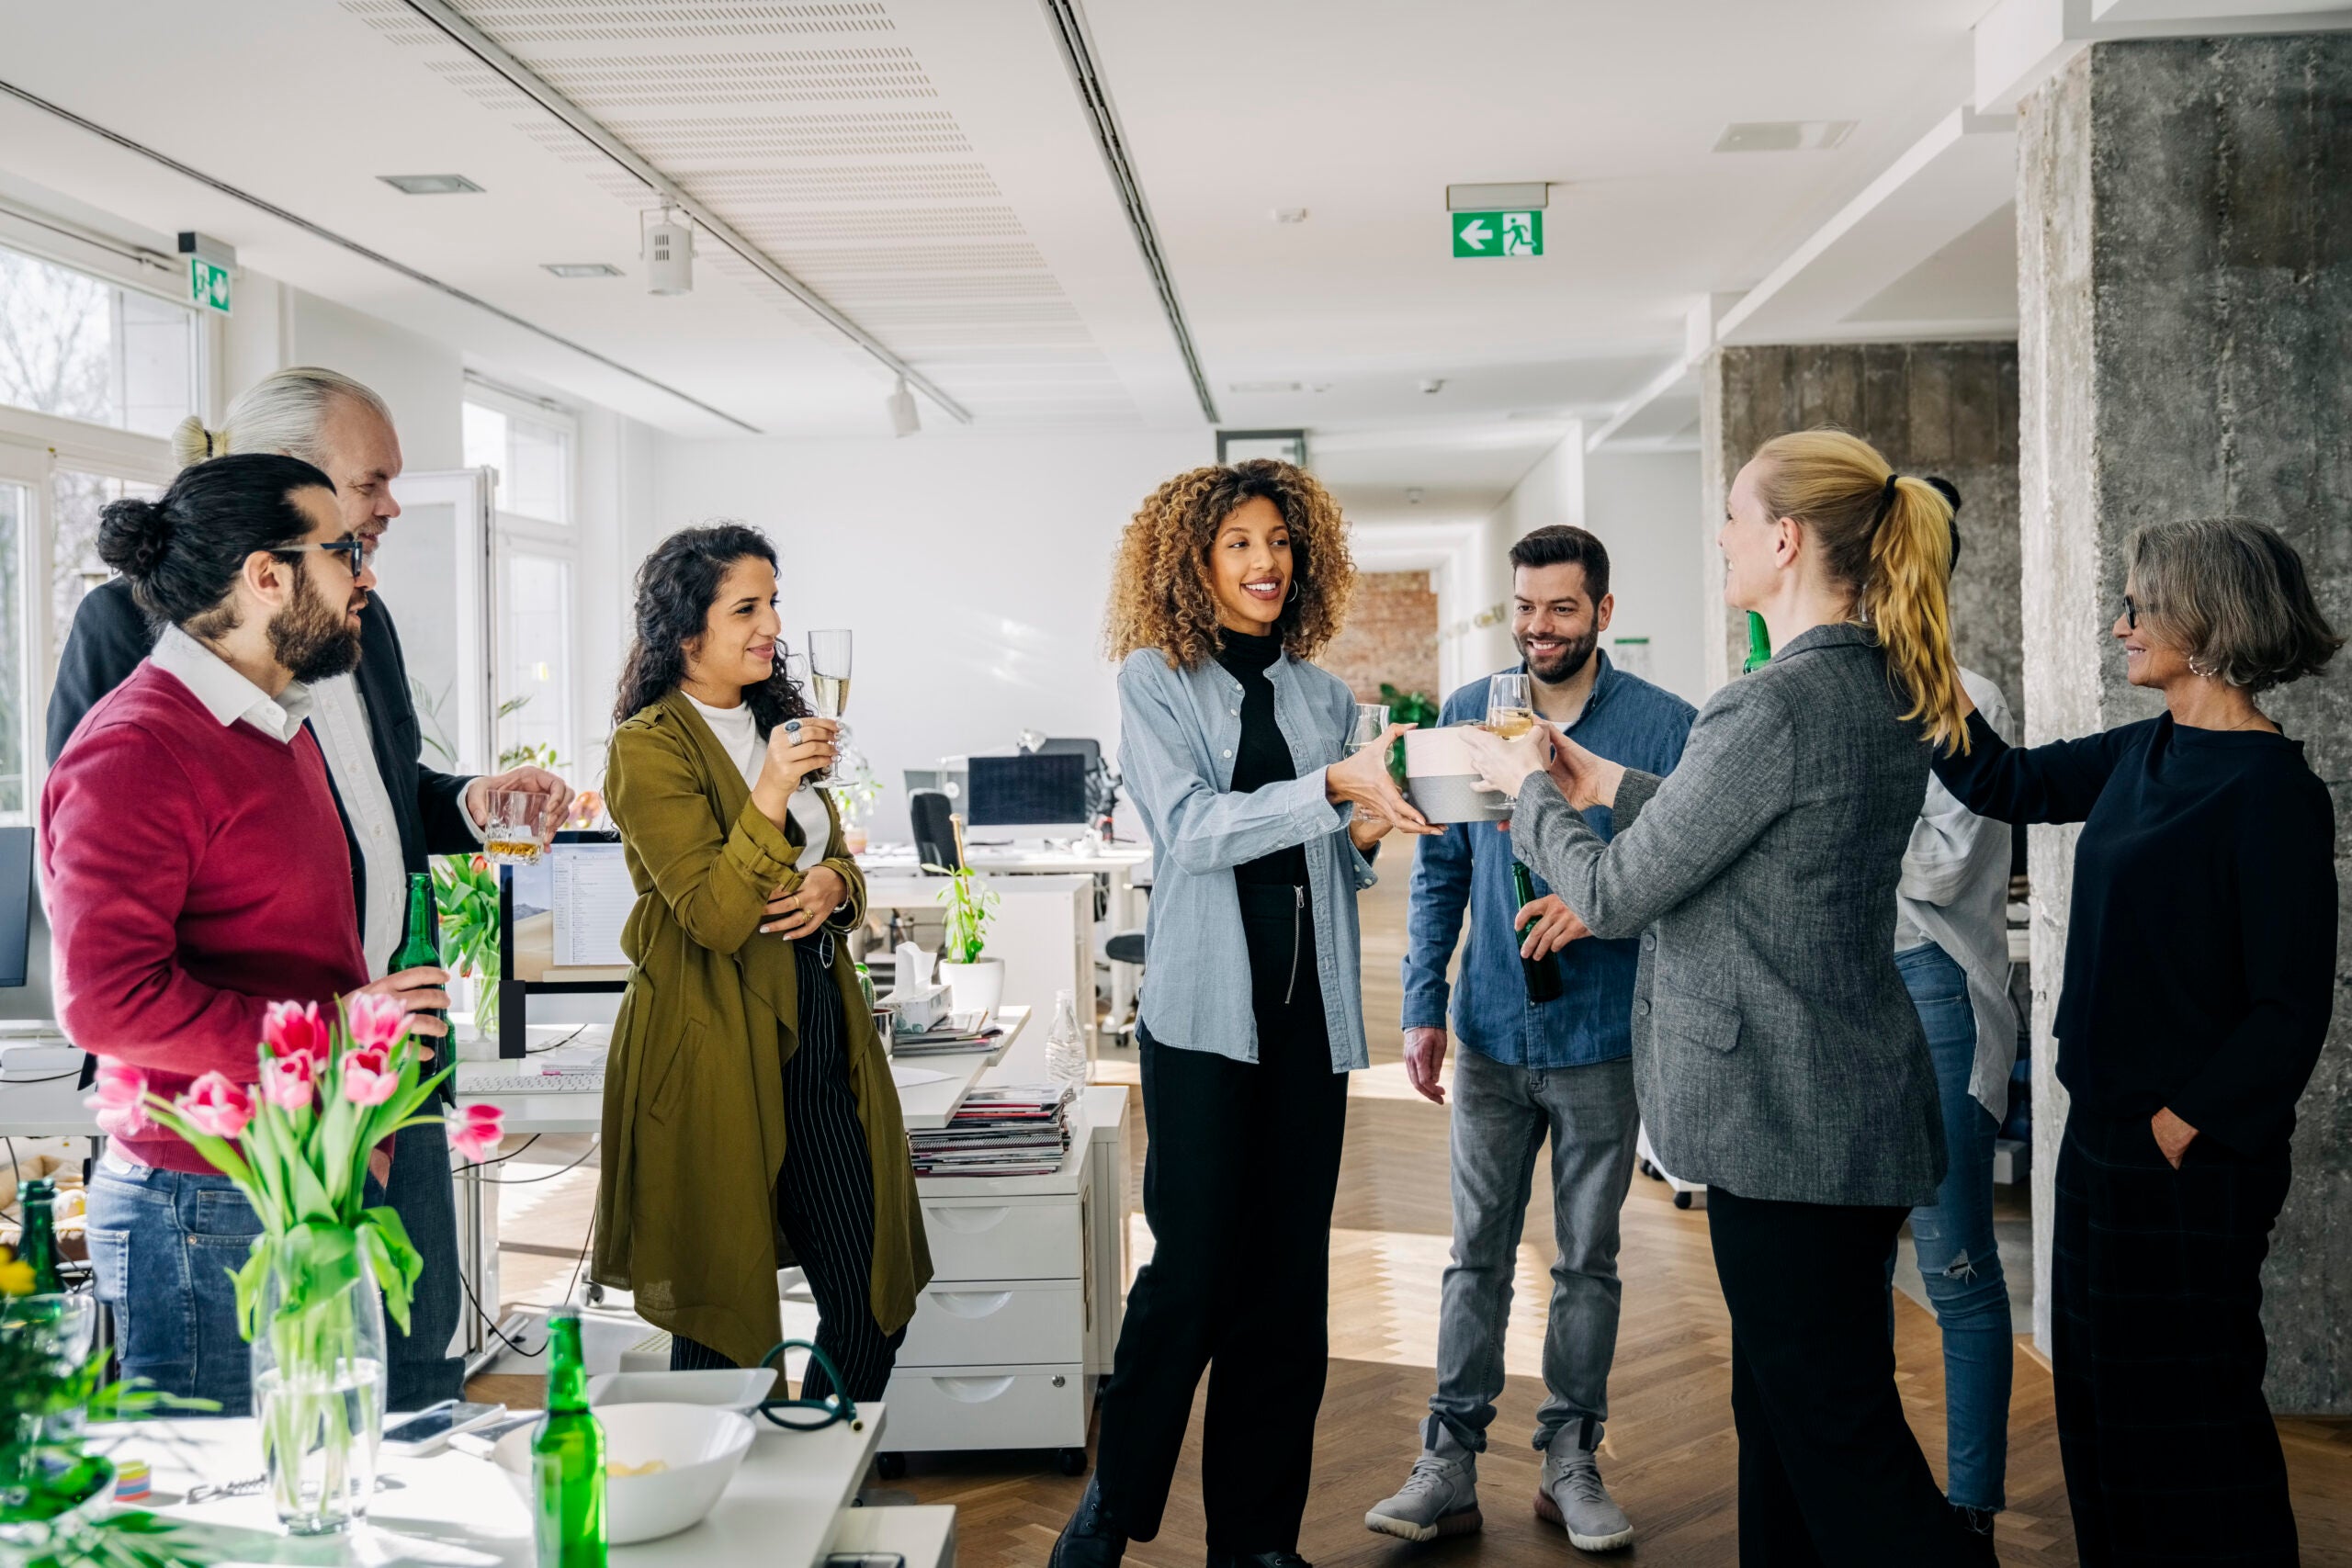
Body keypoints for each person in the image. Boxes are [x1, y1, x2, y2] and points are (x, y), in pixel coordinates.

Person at [1462, 429, 1993, 1565]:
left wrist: (1521, 789)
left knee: (1836, 1438)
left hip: (1786, 1120)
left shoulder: (1772, 703)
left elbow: (1609, 893)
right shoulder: (1873, 679)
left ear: (1786, 540)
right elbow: (1751, 819)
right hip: (1841, 1101)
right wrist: (1596, 776)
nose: (1721, 536)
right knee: (1788, 1418)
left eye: (1736, 518)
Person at [47, 367, 569, 1412]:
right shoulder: (149, 720)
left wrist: (468, 806)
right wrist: (330, 1031)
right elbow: (105, 983)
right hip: (222, 1153)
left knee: (374, 1417)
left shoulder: (276, 719)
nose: (373, 547)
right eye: (347, 529)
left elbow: (366, 815)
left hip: (350, 1103)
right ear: (270, 572)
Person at [1931, 517, 2338, 1567]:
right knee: (2101, 1406)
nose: (2119, 626)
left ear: (2206, 619)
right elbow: (2003, 783)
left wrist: (2182, 1121)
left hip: (2189, 1155)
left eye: (2136, 605)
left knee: (2192, 1418)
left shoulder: (2272, 793)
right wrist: (1917, 656)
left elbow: (2289, 1008)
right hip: (2105, 1137)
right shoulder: (2139, 750)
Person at [1053, 459, 1435, 1568]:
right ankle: (1110, 1507)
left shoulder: (1324, 698)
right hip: (1204, 1018)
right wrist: (1330, 791)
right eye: (1239, 545)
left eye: (1278, 541)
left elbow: (1334, 866)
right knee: (1190, 1272)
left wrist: (1373, 829)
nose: (1265, 562)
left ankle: (1257, 1543)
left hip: (1308, 1018)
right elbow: (1193, 830)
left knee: (1286, 1287)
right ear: (1194, 563)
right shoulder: (1153, 678)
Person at [1370, 525, 1692, 1553]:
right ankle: (1447, 1464)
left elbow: (1687, 877)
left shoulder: (1665, 727)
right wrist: (1422, 1003)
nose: (1536, 628)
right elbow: (1441, 874)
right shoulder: (1470, 714)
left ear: (1601, 611)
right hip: (1491, 1032)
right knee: (1475, 1258)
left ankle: (1571, 1460)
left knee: (1588, 1262)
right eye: (1522, 607)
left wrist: (1604, 909)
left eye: (1559, 608)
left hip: (1603, 1034)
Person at [592, 524, 928, 1399]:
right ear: (685, 631)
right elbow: (711, 913)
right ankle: (721, 1518)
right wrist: (771, 787)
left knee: (872, 1304)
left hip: (819, 1029)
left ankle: (802, 1476)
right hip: (711, 1048)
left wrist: (833, 887)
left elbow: (838, 861)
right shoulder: (647, 747)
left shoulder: (783, 723)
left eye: (774, 600)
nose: (771, 623)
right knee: (723, 1326)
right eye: (747, 606)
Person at [1888, 485, 2019, 1544]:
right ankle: (1871, 1497)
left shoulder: (1965, 694)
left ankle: (1969, 1512)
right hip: (1845, 1000)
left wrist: (1823, 837)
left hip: (1933, 993)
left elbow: (1940, 864)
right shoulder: (1822, 689)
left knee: (1957, 1267)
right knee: (1850, 1271)